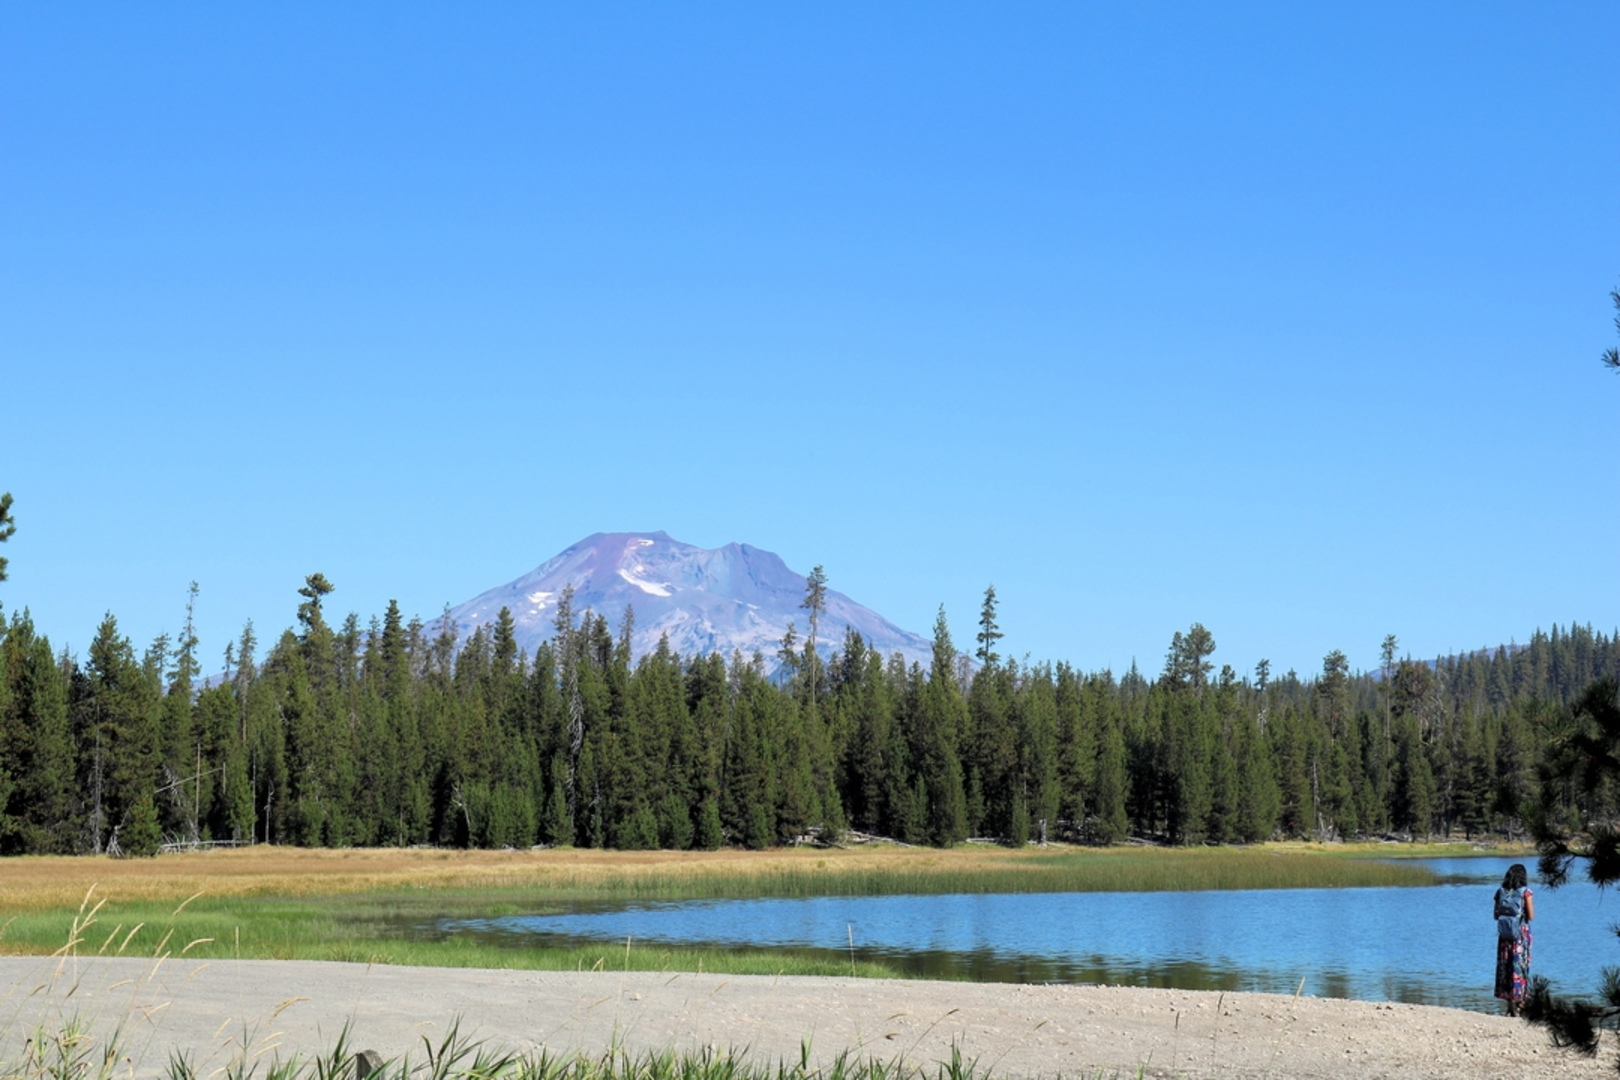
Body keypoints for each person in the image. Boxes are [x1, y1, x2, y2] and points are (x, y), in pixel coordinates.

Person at [1494, 862, 1534, 1015]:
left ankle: (1510, 1007)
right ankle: (1521, 1004)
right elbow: (1531, 916)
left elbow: (1495, 915)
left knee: (1506, 967)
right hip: (1521, 936)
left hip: (1504, 936)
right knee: (1520, 967)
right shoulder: (1526, 892)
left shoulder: (1500, 892)